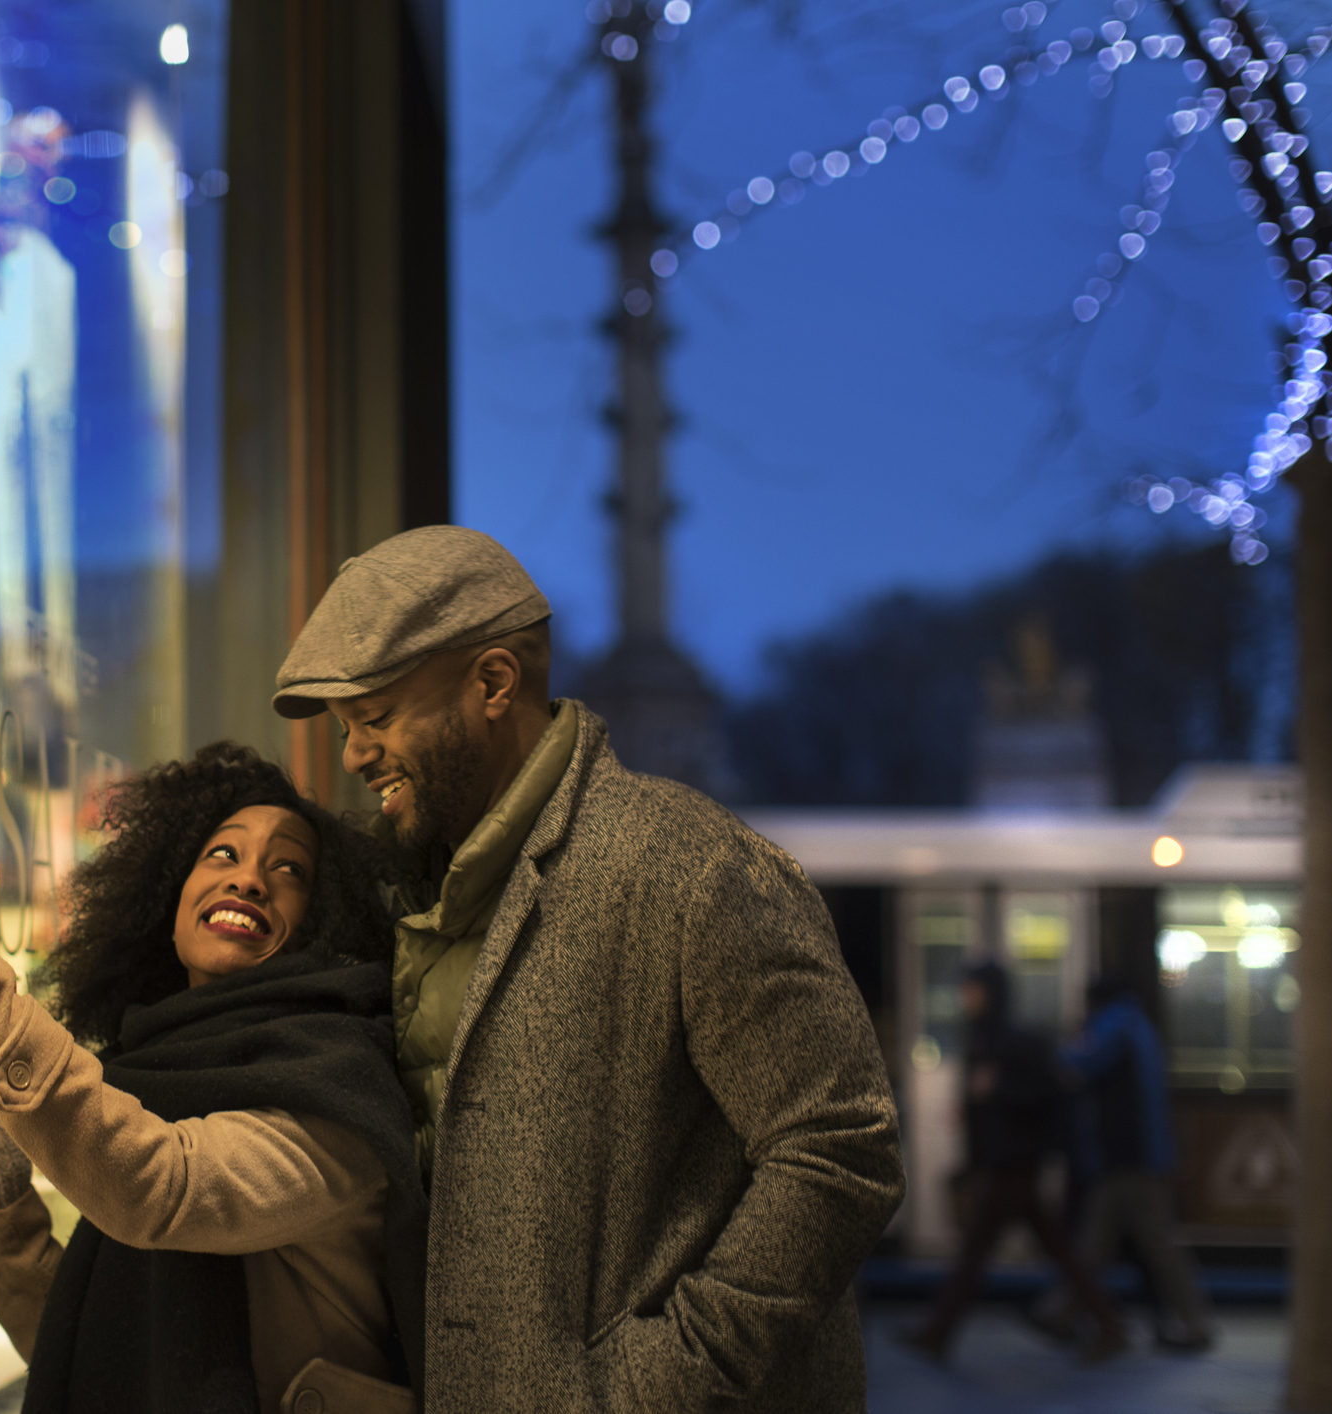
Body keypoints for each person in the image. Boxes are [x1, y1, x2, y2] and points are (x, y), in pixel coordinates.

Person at [270, 525, 905, 1412]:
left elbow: (841, 1151)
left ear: (492, 683)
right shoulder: (399, 896)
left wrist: (654, 1386)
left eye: (374, 718)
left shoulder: (688, 866)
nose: (352, 755)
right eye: (344, 727)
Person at [0, 743, 424, 1414]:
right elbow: (85, 1344)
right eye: (222, 854)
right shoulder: (145, 1065)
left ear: (322, 920)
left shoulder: (337, 1083)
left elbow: (164, 1188)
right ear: (166, 900)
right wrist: (5, 1198)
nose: (249, 880)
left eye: (287, 868)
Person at [901, 962, 1127, 1363]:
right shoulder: (984, 1038)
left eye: (973, 990)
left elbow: (1050, 1091)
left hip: (1017, 1165)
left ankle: (938, 1333)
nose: (966, 998)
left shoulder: (1016, 1041)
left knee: (980, 1252)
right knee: (1051, 1250)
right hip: (1004, 1164)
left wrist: (999, 1089)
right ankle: (1109, 1325)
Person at [1032, 978, 1214, 1352]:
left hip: (1128, 1160)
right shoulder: (1136, 1024)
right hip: (1136, 1157)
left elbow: (1078, 1062)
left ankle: (1196, 1324)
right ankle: (1062, 1312)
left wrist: (1046, 1051)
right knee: (1102, 1242)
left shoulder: (1115, 1027)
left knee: (1147, 1244)